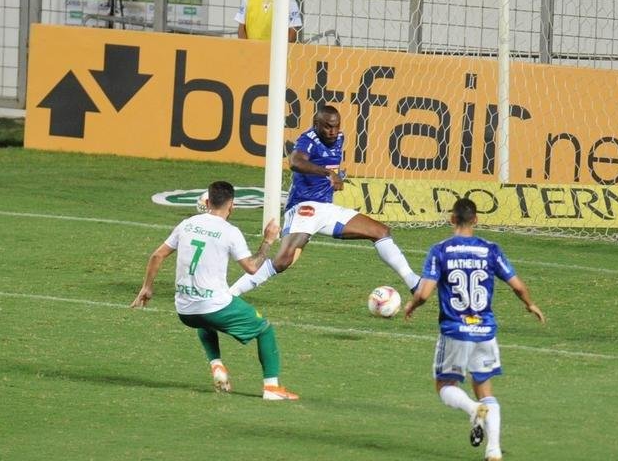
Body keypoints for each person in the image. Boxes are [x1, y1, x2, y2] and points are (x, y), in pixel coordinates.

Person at [403, 197, 545, 461]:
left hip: (455, 330)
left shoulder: (440, 250)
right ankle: (494, 450)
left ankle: (472, 409)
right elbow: (516, 285)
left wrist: (412, 304)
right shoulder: (491, 250)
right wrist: (530, 304)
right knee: (485, 389)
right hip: (485, 330)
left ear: (452, 219)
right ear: (476, 220)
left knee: (445, 385)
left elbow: (424, 292)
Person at [228, 105, 421, 298]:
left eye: (336, 126)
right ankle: (230, 294)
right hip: (305, 207)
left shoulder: (340, 138)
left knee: (381, 231)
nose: (333, 131)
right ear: (316, 124)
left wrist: (338, 175)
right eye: (328, 127)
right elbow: (295, 162)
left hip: (326, 209)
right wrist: (328, 173)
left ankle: (414, 282)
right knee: (283, 261)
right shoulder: (307, 140)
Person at [132, 180, 299, 401]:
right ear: (232, 205)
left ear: (208, 201)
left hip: (185, 311)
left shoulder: (187, 224)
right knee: (264, 329)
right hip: (214, 306)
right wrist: (267, 241)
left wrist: (147, 288)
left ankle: (216, 364)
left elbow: (157, 255)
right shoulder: (230, 232)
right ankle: (272, 388)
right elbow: (251, 268)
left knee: (204, 319)